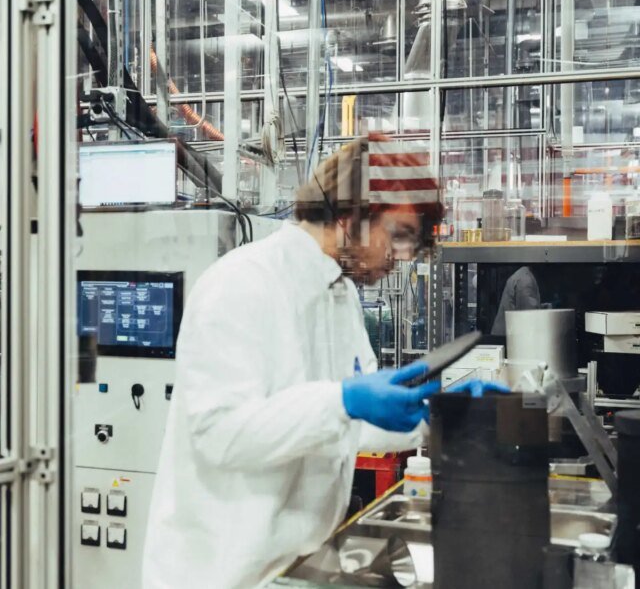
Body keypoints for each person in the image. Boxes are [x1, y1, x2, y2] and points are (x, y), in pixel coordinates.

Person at [142, 135, 507, 589]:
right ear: (350, 216)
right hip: (220, 574)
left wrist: (439, 414)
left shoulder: (341, 296)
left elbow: (351, 425)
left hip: (296, 567)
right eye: (398, 235)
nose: (402, 257)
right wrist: (342, 401)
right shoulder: (240, 284)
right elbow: (221, 434)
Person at [490, 265, 541, 336]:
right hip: (505, 338)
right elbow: (529, 317)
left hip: (505, 336)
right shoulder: (525, 280)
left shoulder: (523, 275)